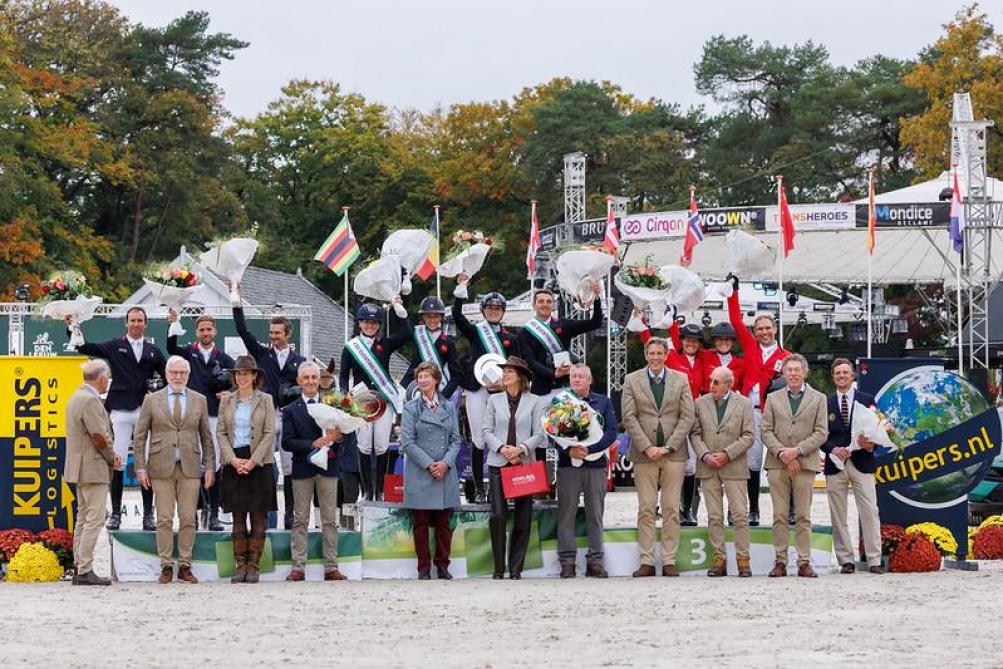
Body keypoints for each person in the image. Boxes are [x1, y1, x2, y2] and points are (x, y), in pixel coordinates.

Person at [66, 307, 166, 531]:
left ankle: (148, 514)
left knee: (145, 462)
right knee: (118, 460)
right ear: (126, 323)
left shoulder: (153, 350)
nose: (136, 324)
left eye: (140, 320)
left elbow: (168, 375)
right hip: (120, 410)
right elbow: (85, 347)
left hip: (145, 409)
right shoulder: (115, 345)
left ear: (146, 323)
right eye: (132, 320)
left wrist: (160, 394)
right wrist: (72, 327)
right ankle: (116, 513)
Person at [132, 355, 215, 584]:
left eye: (183, 373)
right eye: (174, 373)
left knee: (189, 517)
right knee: (164, 518)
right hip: (160, 466)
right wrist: (140, 466)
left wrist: (210, 467)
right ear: (167, 374)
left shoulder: (199, 400)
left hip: (190, 465)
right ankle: (166, 564)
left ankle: (185, 564)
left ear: (188, 375)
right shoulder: (151, 400)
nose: (178, 377)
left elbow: (206, 437)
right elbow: (140, 436)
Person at [232, 288, 306, 529]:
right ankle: (264, 513)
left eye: (277, 333)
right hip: (266, 414)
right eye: (271, 333)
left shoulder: (301, 360)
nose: (273, 337)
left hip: (290, 417)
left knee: (290, 467)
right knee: (262, 462)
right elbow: (243, 331)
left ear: (287, 334)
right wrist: (236, 303)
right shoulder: (262, 354)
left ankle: (291, 513)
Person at [622, 337, 695, 577]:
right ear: (646, 355)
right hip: (644, 455)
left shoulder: (680, 379)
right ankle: (646, 560)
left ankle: (669, 559)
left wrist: (669, 446)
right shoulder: (631, 380)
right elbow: (629, 417)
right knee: (646, 508)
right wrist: (647, 447)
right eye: (651, 353)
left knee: (672, 507)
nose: (655, 358)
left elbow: (687, 416)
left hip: (674, 454)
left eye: (659, 354)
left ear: (666, 355)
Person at [726, 275, 791, 527]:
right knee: (750, 463)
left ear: (774, 329)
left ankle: (791, 509)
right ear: (755, 332)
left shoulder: (786, 356)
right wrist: (734, 290)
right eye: (759, 329)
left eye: (768, 328)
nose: (764, 332)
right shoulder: (750, 347)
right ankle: (752, 509)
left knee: (784, 460)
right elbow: (734, 320)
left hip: (775, 415)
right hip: (750, 411)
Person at [452, 273, 520, 503]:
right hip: (477, 390)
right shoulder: (476, 331)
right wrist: (461, 289)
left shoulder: (511, 337)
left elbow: (517, 364)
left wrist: (507, 382)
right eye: (489, 308)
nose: (493, 311)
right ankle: (479, 488)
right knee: (480, 439)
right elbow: (457, 317)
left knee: (502, 437)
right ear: (483, 310)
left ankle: (500, 487)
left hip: (501, 390)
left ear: (502, 311)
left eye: (497, 308)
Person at [280, 361, 349, 582]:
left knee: (329, 519)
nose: (310, 381)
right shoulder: (290, 410)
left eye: (314, 377)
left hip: (329, 469)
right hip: (302, 469)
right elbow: (287, 442)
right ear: (299, 382)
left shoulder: (333, 406)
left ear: (319, 381)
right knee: (300, 519)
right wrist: (313, 443)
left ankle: (331, 566)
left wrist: (338, 437)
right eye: (306, 378)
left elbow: (343, 439)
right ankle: (298, 566)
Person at [167, 309, 235, 531]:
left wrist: (230, 394)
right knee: (191, 465)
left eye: (209, 329)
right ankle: (192, 515)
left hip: (215, 416)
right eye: (201, 329)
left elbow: (240, 380)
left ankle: (214, 513)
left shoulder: (224, 358)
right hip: (191, 417)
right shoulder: (187, 353)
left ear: (214, 331)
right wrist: (174, 324)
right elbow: (170, 348)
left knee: (213, 465)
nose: (205, 333)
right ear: (196, 332)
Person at [761, 354, 827, 578]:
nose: (794, 374)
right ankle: (780, 561)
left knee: (803, 516)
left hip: (805, 463)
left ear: (805, 372)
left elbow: (821, 432)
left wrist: (797, 451)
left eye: (798, 370)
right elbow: (766, 430)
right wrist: (782, 452)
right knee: (779, 515)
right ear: (784, 373)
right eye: (789, 370)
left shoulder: (819, 398)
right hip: (777, 463)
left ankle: (804, 562)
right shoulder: (772, 398)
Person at [481, 356, 547, 579]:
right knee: (498, 515)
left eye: (509, 371)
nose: (505, 375)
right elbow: (486, 431)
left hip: (523, 463)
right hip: (498, 462)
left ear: (520, 376)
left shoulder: (535, 401)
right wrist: (502, 448)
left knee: (523, 516)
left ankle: (516, 567)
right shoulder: (493, 400)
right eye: (504, 371)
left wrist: (521, 449)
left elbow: (539, 432)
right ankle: (499, 567)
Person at [339, 301, 411, 501]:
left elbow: (407, 334)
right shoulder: (351, 347)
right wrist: (345, 394)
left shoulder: (385, 344)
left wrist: (400, 311)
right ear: (360, 323)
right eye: (366, 322)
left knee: (380, 445)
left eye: (374, 322)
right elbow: (343, 375)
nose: (370, 326)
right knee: (363, 445)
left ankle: (379, 490)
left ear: (379, 324)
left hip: (383, 399)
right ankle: (366, 491)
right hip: (361, 401)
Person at [216, 356, 277, 583]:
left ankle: (254, 566)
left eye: (246, 373)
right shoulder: (227, 401)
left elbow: (269, 433)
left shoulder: (266, 400)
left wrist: (253, 461)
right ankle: (240, 565)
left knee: (259, 516)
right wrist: (232, 460)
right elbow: (221, 432)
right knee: (238, 516)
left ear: (254, 376)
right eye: (238, 373)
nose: (241, 377)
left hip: (259, 462)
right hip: (234, 461)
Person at [690, 366, 754, 577]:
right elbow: (695, 433)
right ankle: (719, 559)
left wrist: (727, 454)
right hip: (708, 467)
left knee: (740, 516)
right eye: (711, 381)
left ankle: (743, 560)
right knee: (714, 516)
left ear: (729, 384)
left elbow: (748, 436)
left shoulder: (744, 404)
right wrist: (705, 454)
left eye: (716, 382)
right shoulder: (699, 403)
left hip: (734, 466)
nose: (712, 386)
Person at [822, 358, 883, 575]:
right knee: (838, 514)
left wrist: (870, 444)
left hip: (862, 462)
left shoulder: (867, 400)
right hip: (835, 464)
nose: (841, 376)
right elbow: (820, 435)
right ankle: (846, 560)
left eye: (845, 372)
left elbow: (879, 428)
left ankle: (874, 559)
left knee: (869, 511)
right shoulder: (825, 403)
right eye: (837, 373)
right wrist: (831, 449)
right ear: (833, 376)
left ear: (852, 375)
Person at [556, 364, 618, 579]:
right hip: (567, 464)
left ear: (590, 379)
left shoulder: (603, 402)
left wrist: (589, 449)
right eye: (573, 376)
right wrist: (569, 449)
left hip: (596, 464)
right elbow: (550, 432)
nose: (576, 379)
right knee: (566, 515)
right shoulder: (561, 401)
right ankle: (567, 562)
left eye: (581, 376)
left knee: (595, 515)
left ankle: (595, 561)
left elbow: (611, 432)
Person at [401, 362, 462, 580]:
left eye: (427, 376)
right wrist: (430, 464)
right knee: (421, 523)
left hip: (445, 472)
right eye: (420, 377)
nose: (423, 380)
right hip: (421, 472)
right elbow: (407, 442)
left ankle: (443, 565)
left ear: (436, 380)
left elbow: (456, 440)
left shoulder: (450, 408)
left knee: (444, 524)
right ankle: (423, 568)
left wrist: (445, 464)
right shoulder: (410, 409)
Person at [64, 359, 119, 586]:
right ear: (102, 378)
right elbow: (99, 436)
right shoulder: (91, 401)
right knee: (95, 518)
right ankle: (85, 568)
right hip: (93, 467)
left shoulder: (75, 397)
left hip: (79, 466)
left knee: (83, 518)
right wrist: (112, 457)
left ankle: (79, 565)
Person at [518, 285, 602, 399]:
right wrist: (553, 374)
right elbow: (529, 361)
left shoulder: (564, 324)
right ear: (534, 305)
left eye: (549, 301)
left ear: (553, 305)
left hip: (566, 387)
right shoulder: (525, 331)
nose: (545, 304)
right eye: (541, 301)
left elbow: (595, 323)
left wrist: (596, 298)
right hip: (541, 389)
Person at [401, 296, 463, 399]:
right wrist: (400, 307)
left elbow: (457, 374)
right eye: (428, 316)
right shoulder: (416, 333)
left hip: (441, 390)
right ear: (423, 317)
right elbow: (404, 327)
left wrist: (444, 395)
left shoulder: (448, 342)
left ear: (441, 317)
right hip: (416, 389)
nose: (432, 320)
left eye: (436, 316)